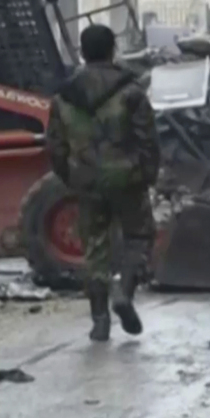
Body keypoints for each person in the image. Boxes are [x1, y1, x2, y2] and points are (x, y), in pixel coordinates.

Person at [45, 24, 160, 342]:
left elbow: (54, 146)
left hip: (87, 180)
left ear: (83, 53)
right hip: (128, 179)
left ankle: (99, 320)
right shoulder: (131, 92)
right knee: (139, 237)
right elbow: (148, 140)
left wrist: (70, 176)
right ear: (113, 51)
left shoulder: (64, 97)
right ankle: (124, 292)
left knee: (95, 247)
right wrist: (148, 174)